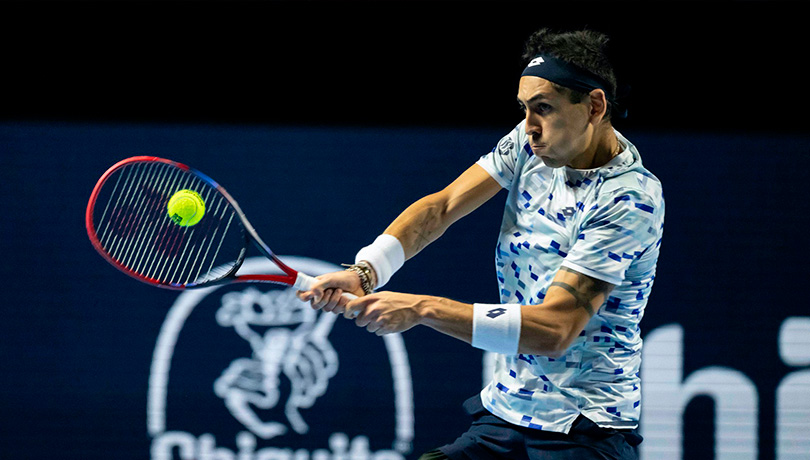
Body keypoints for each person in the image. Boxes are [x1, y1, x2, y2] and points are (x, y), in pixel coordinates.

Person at [297, 27, 664, 460]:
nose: (529, 126)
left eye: (543, 108)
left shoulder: (629, 199)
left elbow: (554, 331)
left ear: (595, 106)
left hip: (582, 431)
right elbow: (444, 205)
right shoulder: (529, 146)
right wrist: (366, 271)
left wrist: (421, 309)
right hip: (507, 411)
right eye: (524, 109)